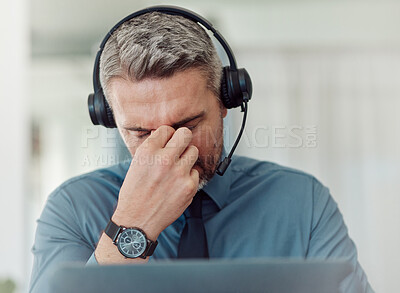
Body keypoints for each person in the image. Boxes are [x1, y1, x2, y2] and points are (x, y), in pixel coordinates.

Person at [29, 6, 374, 293]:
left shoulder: (303, 202)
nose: (168, 149)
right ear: (110, 121)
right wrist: (133, 225)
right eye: (140, 132)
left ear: (226, 101)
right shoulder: (73, 208)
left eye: (188, 126)